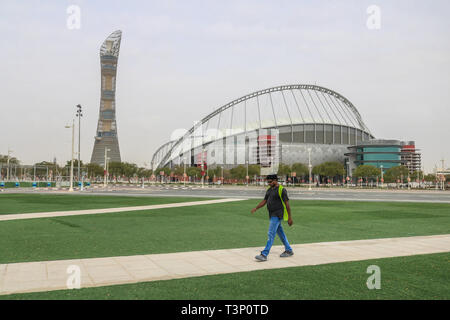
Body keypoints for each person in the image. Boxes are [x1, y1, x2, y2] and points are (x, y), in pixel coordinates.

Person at [251, 174, 294, 261]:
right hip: (272, 214)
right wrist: (256, 208)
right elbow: (264, 201)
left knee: (271, 233)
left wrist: (290, 217)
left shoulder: (282, 190)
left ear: (275, 180)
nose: (269, 183)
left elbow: (287, 205)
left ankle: (264, 254)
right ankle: (289, 250)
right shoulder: (269, 190)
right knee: (280, 233)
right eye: (268, 182)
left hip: (277, 214)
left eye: (270, 182)